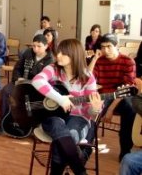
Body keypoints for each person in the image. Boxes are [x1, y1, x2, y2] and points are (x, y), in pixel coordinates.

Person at [32, 39, 103, 175]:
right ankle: (80, 170)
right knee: (60, 129)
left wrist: (95, 108)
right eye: (58, 52)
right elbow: (37, 80)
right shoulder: (53, 69)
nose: (58, 56)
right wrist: (60, 99)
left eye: (63, 54)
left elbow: (90, 112)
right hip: (53, 116)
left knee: (64, 140)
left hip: (79, 117)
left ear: (74, 55)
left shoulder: (88, 78)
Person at [0, 34, 53, 136]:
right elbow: (17, 68)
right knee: (5, 91)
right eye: (34, 46)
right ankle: (1, 125)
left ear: (46, 46)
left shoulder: (50, 60)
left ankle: (32, 126)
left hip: (37, 88)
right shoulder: (28, 53)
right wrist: (18, 79)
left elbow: (47, 80)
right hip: (21, 83)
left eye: (39, 46)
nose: (35, 49)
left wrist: (31, 83)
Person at [89, 33, 136, 161]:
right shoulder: (100, 60)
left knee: (129, 107)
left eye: (109, 46)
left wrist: (110, 110)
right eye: (103, 47)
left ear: (117, 46)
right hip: (103, 96)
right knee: (89, 112)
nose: (105, 50)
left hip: (121, 98)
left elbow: (125, 90)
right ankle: (83, 149)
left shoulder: (128, 62)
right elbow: (88, 80)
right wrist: (94, 59)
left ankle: (125, 151)